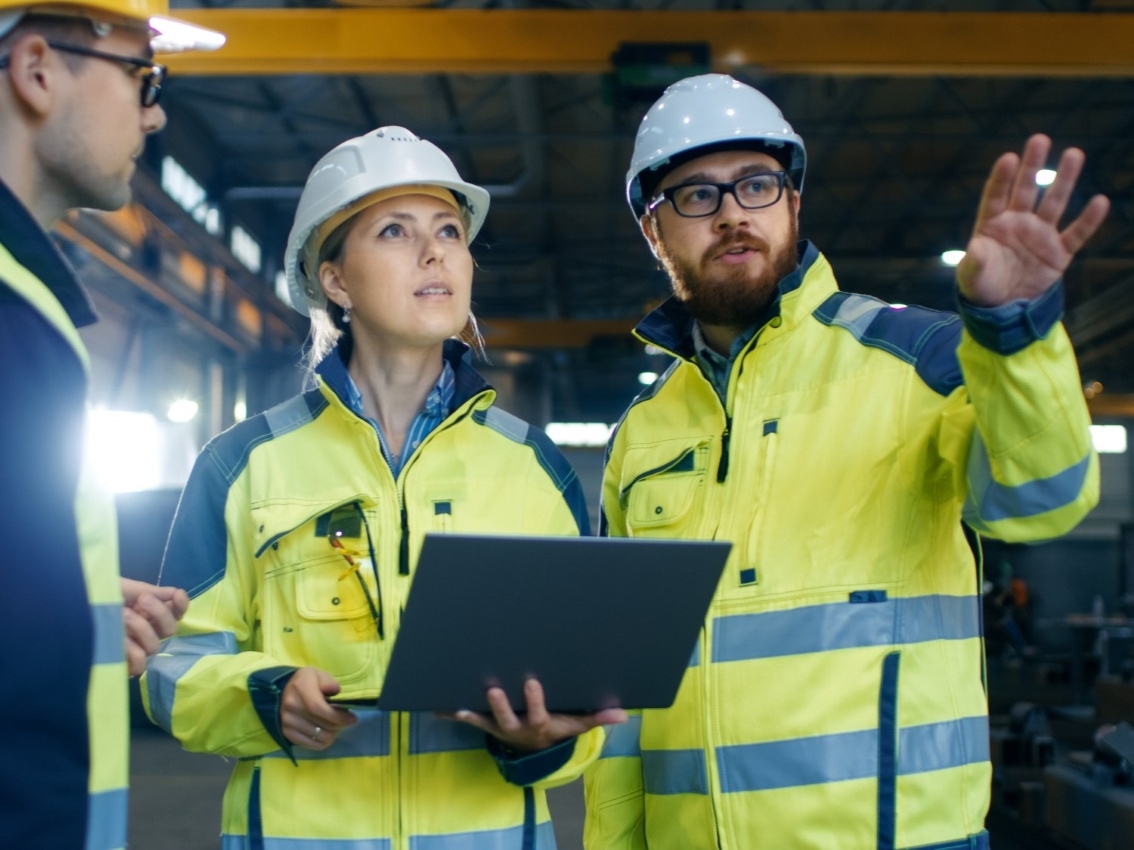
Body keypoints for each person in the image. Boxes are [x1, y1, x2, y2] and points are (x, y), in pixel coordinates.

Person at [584, 73, 1107, 850]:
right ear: (654, 233)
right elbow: (619, 692)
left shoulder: (918, 360)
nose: (731, 213)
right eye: (695, 196)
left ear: (793, 204)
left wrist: (1014, 334)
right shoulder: (644, 434)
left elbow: (1046, 499)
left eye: (755, 185)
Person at [143, 126, 624, 849]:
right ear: (335, 280)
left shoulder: (533, 467)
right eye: (395, 231)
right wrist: (264, 696)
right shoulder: (243, 464)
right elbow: (172, 667)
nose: (433, 252)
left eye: (450, 232)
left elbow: (579, 691)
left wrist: (545, 737)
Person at [0, 3, 222, 848]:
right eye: (144, 77)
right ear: (37, 69)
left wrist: (70, 612)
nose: (155, 112)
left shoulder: (29, 308)